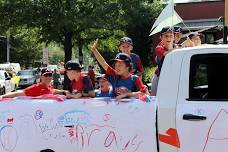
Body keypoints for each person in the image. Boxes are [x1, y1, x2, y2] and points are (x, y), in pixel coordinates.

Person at [151, 26, 175, 96]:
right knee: (155, 97)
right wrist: (179, 48)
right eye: (166, 36)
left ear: (174, 37)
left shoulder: (177, 47)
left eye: (171, 36)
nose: (169, 38)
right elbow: (166, 54)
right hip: (160, 77)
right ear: (161, 38)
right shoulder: (159, 48)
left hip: (173, 76)